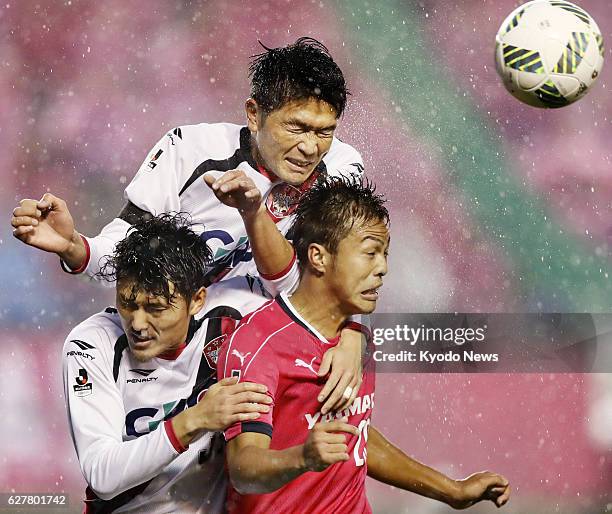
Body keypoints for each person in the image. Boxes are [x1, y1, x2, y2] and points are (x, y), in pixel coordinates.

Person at [11, 37, 365, 413]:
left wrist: (353, 333)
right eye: (297, 128)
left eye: (324, 131)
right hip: (174, 356)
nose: (310, 147)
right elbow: (128, 257)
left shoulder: (341, 170)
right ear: (254, 114)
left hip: (266, 353)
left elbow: (311, 285)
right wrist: (75, 247)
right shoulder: (188, 150)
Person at [218, 177, 511, 513]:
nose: (383, 268)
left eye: (384, 255)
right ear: (318, 257)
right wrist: (303, 457)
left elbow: (356, 435)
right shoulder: (259, 344)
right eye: (370, 253)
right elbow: (244, 469)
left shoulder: (356, 338)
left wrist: (452, 491)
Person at [63, 213, 274, 513]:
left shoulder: (233, 314)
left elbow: (312, 303)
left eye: (156, 308)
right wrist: (196, 418)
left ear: (197, 300)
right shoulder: (91, 344)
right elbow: (102, 475)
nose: (137, 323)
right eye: (127, 303)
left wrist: (350, 340)